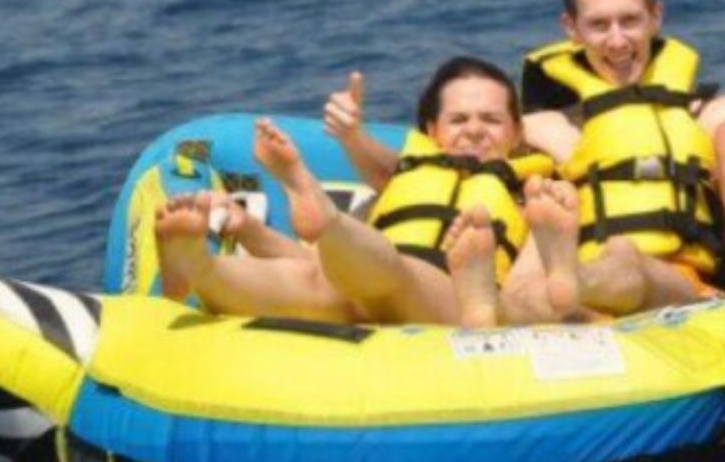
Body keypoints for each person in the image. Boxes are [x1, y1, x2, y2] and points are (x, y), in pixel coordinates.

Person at [155, 57, 583, 327]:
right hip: (363, 285)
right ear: (430, 131)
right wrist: (249, 229)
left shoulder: (535, 195)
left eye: (490, 120)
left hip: (454, 297)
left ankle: (323, 213)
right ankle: (198, 266)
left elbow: (533, 289)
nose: (473, 129)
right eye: (459, 119)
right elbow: (319, 263)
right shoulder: (402, 179)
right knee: (315, 280)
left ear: (516, 132)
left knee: (387, 270)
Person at [518, 0, 725, 312]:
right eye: (599, 24)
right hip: (588, 302)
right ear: (571, 27)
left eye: (629, 20)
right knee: (527, 297)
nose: (617, 40)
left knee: (626, 261)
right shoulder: (543, 127)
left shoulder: (711, 116)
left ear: (655, 16)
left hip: (683, 288)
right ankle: (517, 303)